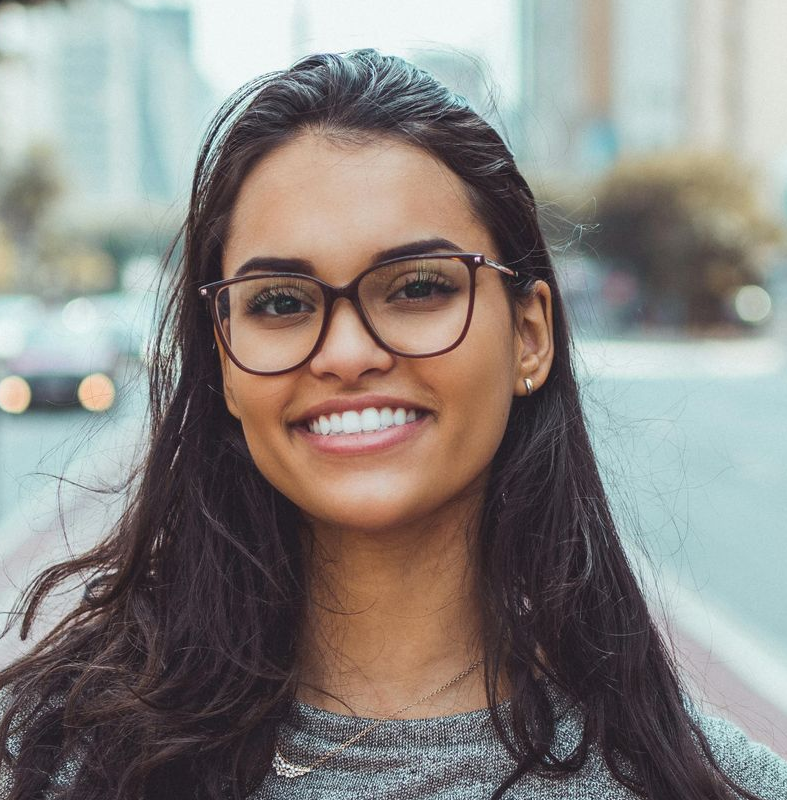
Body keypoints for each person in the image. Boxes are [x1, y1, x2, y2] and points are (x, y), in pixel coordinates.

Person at [0, 49, 785, 800]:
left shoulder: (708, 783)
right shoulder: (53, 763)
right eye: (279, 301)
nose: (345, 353)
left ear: (530, 334)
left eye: (415, 288)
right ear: (224, 359)